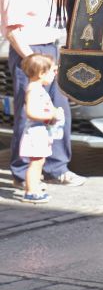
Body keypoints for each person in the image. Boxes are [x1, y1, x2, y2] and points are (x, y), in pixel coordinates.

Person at [0, 0, 78, 191]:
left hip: (49, 49)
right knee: (29, 111)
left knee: (58, 109)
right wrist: (32, 60)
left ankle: (56, 168)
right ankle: (23, 173)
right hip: (30, 52)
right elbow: (13, 30)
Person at [16, 54, 64, 203]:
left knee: (39, 162)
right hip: (35, 132)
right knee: (35, 163)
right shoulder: (34, 90)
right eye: (52, 71)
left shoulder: (39, 89)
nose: (55, 74)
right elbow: (31, 112)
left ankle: (35, 186)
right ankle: (31, 192)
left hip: (41, 132)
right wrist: (51, 114)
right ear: (41, 73)